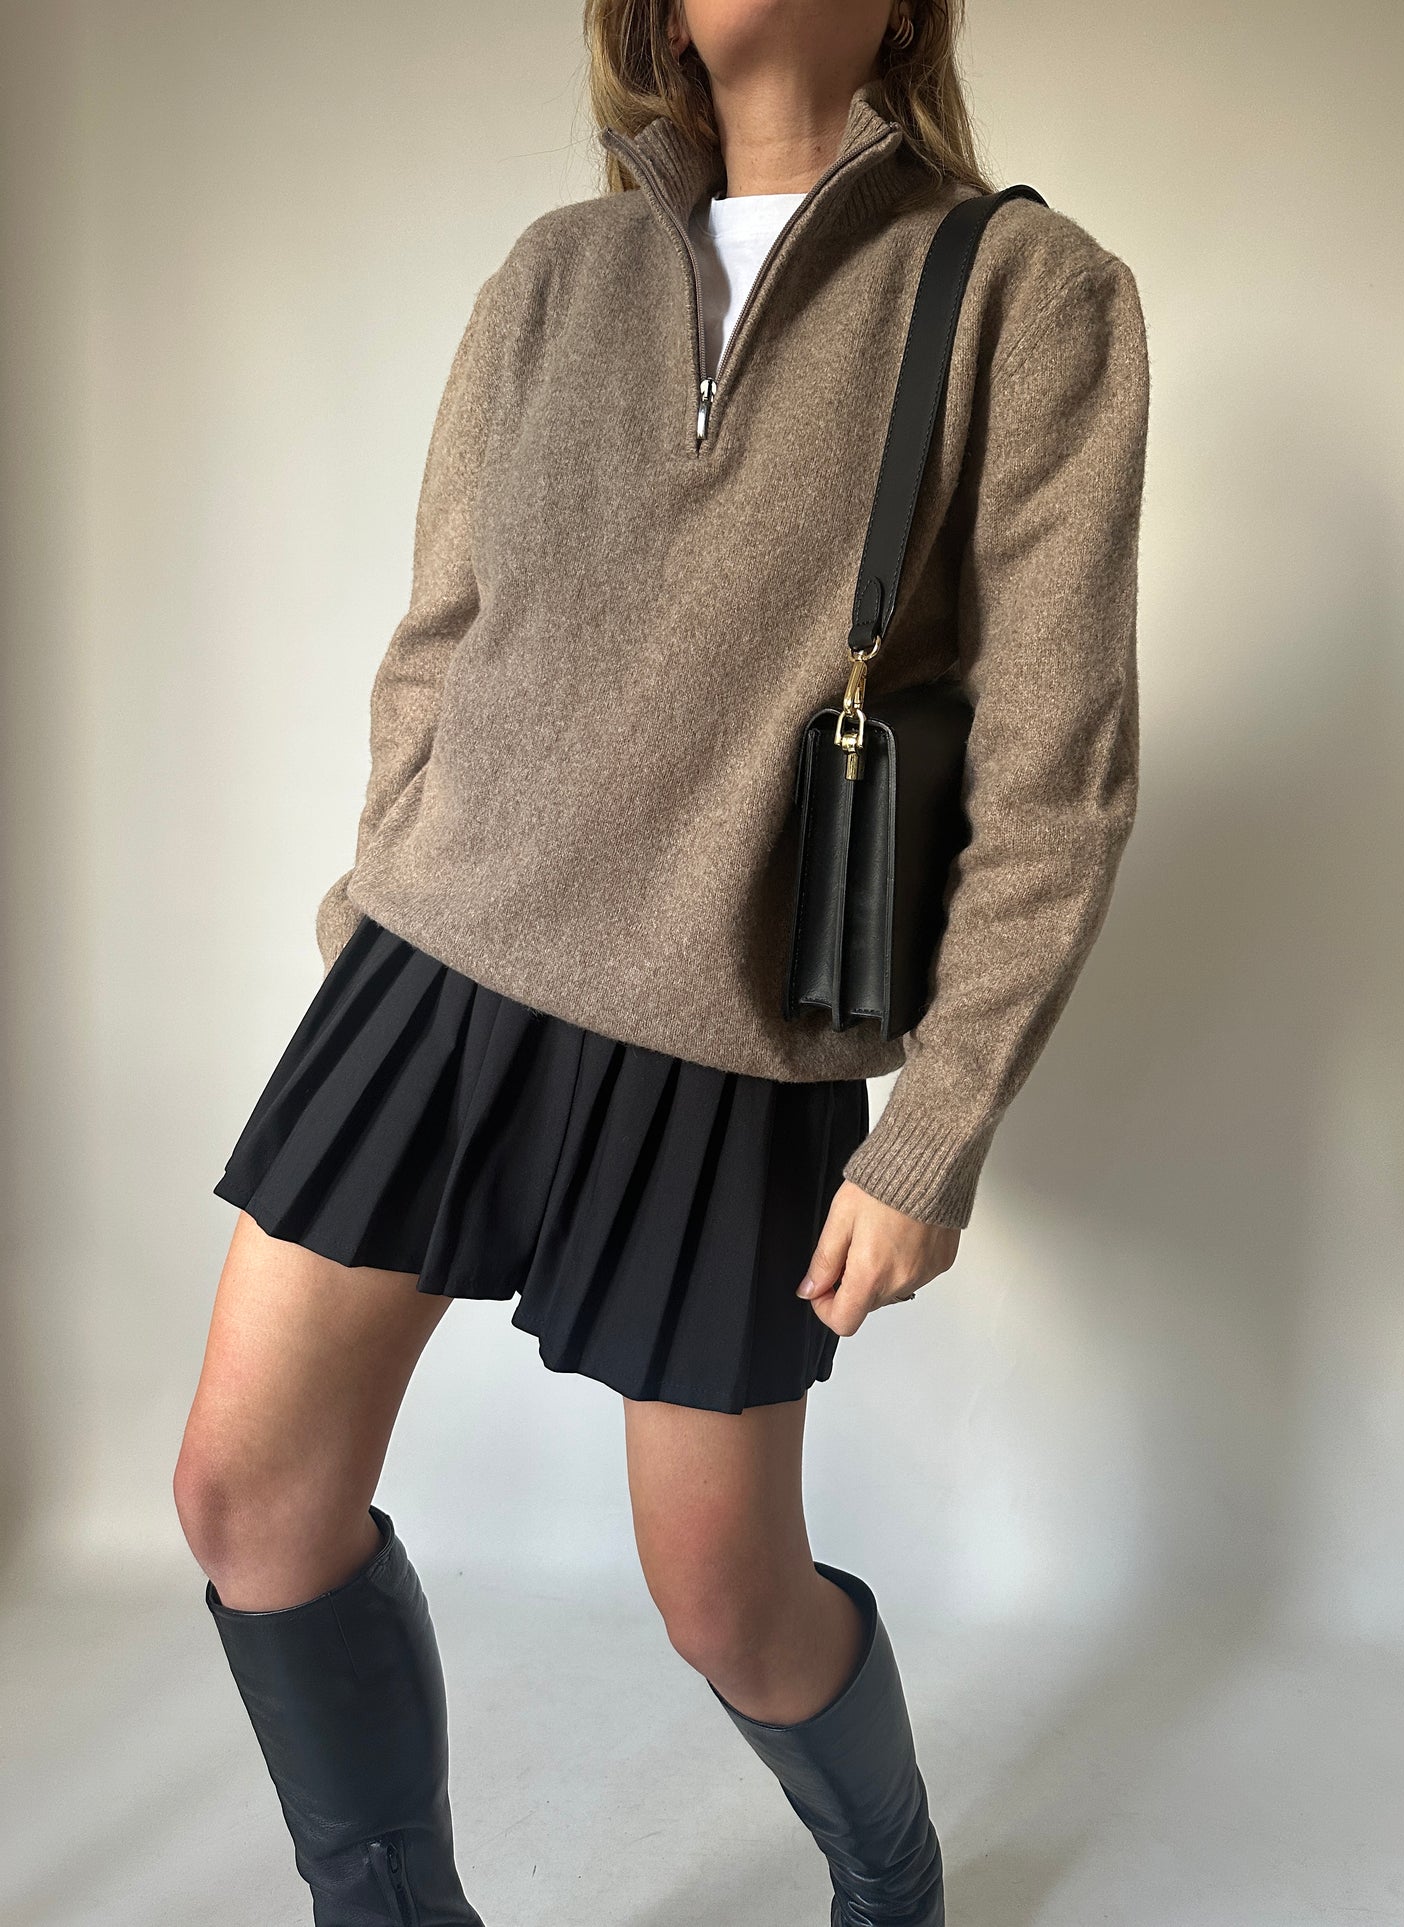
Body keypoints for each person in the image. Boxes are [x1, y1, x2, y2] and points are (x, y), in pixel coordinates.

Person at [172, 0, 1150, 1920]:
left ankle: (891, 1876)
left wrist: (931, 1133)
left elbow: (1055, 776)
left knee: (722, 1597)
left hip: (729, 1035)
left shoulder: (1027, 294)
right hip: (431, 980)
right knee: (242, 1499)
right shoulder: (554, 272)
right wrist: (371, 923)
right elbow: (439, 639)